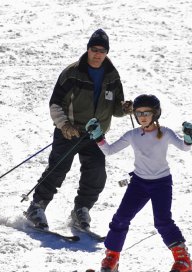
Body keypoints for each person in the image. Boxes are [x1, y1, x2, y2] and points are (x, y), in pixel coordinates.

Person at [25, 29, 133, 231]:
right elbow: (55, 104)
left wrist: (125, 109)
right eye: (94, 49)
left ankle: (81, 209)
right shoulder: (72, 73)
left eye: (102, 50)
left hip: (95, 134)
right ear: (88, 49)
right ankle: (36, 206)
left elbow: (115, 108)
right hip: (70, 132)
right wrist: (64, 125)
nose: (97, 54)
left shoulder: (112, 76)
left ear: (107, 52)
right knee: (58, 169)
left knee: (96, 173)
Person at [86, 94, 192, 272]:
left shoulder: (166, 133)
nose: (142, 116)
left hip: (161, 183)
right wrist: (98, 136)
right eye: (138, 113)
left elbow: (185, 147)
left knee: (162, 221)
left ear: (156, 114)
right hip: (139, 183)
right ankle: (112, 256)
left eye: (147, 112)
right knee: (121, 218)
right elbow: (109, 150)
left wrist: (189, 136)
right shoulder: (132, 135)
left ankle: (183, 260)